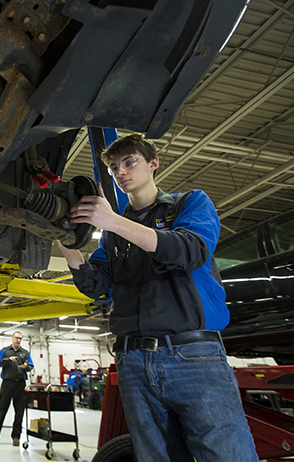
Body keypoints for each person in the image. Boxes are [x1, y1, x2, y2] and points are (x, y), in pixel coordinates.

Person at [57, 133, 258, 462]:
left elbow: (188, 250)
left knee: (225, 454)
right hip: (133, 361)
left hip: (192, 354)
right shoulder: (113, 235)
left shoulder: (189, 203)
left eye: (129, 162)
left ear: (153, 164)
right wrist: (65, 241)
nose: (121, 172)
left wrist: (113, 221)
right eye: (113, 168)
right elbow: (95, 284)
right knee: (155, 457)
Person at [0, 331, 34, 446]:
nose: (18, 340)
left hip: (20, 385)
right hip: (7, 384)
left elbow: (31, 366)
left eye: (20, 338)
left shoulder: (25, 353)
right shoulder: (4, 351)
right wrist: (7, 359)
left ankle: (16, 437)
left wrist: (26, 367)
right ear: (12, 338)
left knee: (19, 411)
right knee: (2, 409)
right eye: (16, 338)